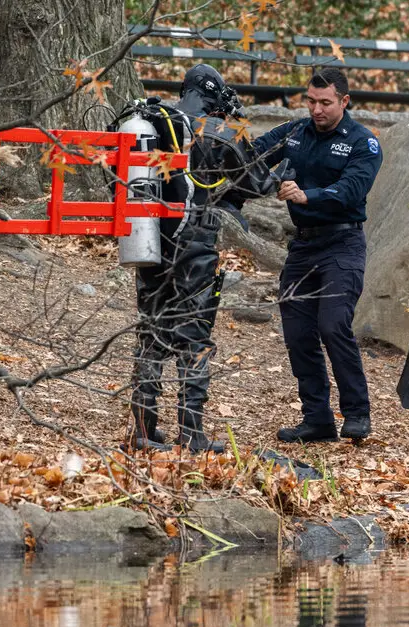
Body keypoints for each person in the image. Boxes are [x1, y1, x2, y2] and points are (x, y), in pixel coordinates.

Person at [125, 64, 276, 453]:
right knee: (194, 336)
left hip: (149, 238)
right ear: (214, 96)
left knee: (152, 331)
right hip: (195, 241)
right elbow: (256, 182)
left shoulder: (151, 121)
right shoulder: (217, 130)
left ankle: (143, 428)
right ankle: (192, 433)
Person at [251, 67, 383, 444]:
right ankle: (317, 419)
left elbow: (352, 189)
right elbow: (252, 156)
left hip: (342, 245)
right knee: (297, 333)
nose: (316, 110)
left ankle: (357, 413)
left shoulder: (363, 143)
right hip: (303, 245)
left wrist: (309, 194)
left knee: (333, 324)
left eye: (325, 102)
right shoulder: (295, 132)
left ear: (344, 101)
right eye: (310, 101)